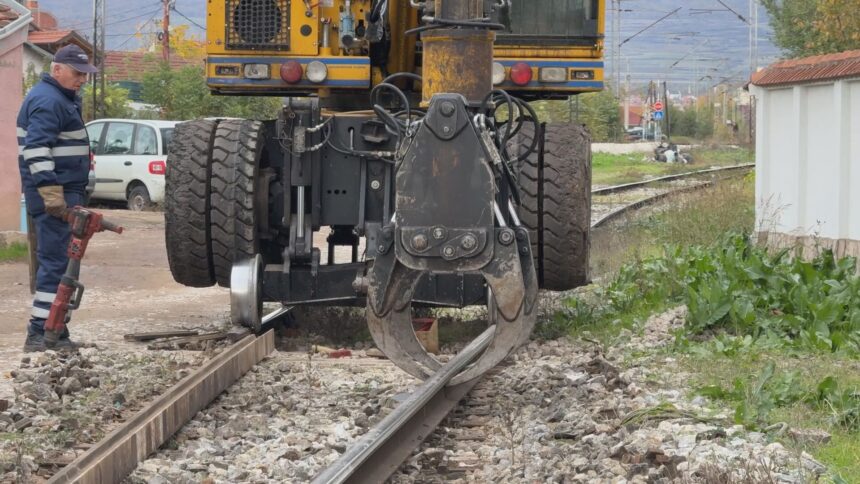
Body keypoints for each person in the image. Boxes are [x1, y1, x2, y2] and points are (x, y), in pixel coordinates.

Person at [17, 44, 97, 352]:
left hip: (65, 194)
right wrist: (52, 195)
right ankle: (40, 333)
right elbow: (36, 149)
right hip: (56, 197)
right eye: (77, 74)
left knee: (62, 263)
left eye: (85, 75)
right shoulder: (48, 101)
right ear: (58, 69)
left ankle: (55, 331)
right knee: (55, 263)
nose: (82, 80)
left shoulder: (59, 99)